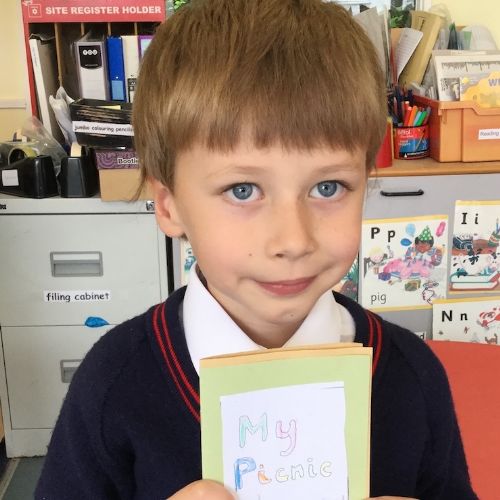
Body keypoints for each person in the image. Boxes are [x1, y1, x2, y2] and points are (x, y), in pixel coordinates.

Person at [35, 0, 476, 498]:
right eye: (242, 190)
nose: (293, 241)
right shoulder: (113, 384)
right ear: (170, 204)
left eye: (328, 187)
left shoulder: (414, 376)